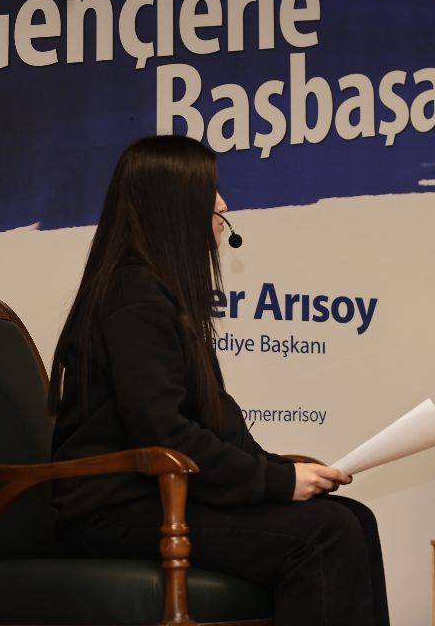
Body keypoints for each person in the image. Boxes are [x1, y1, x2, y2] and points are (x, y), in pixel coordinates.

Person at [48, 135, 390, 626]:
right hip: (113, 513)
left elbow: (217, 423)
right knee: (327, 533)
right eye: (212, 191)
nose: (223, 205)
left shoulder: (164, 296)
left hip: (159, 498)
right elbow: (165, 433)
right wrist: (276, 482)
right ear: (176, 202)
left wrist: (284, 472)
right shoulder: (132, 296)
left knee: (355, 517)